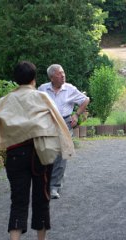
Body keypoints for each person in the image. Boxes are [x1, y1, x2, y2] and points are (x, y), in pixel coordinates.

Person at [0, 61, 75, 240]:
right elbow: (58, 121)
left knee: (18, 200)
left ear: (15, 79)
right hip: (39, 153)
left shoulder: (5, 100)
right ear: (34, 79)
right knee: (42, 196)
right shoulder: (41, 96)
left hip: (14, 155)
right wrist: (67, 148)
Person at [38, 64, 89, 199]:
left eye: (63, 73)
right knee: (48, 153)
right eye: (59, 74)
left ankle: (54, 186)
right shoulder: (43, 89)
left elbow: (85, 100)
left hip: (65, 122)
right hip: (48, 124)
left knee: (61, 154)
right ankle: (50, 180)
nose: (63, 76)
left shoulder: (69, 89)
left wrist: (76, 115)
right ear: (51, 77)